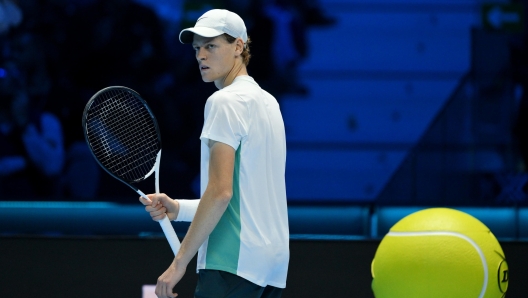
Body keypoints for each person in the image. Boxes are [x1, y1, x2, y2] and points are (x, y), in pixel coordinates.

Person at [139, 9, 289, 298]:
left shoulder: (224, 102)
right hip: (271, 268)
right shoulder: (269, 103)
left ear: (239, 46)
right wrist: (178, 208)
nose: (200, 56)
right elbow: (242, 198)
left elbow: (221, 193)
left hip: (232, 264)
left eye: (211, 45)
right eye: (197, 48)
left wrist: (178, 264)